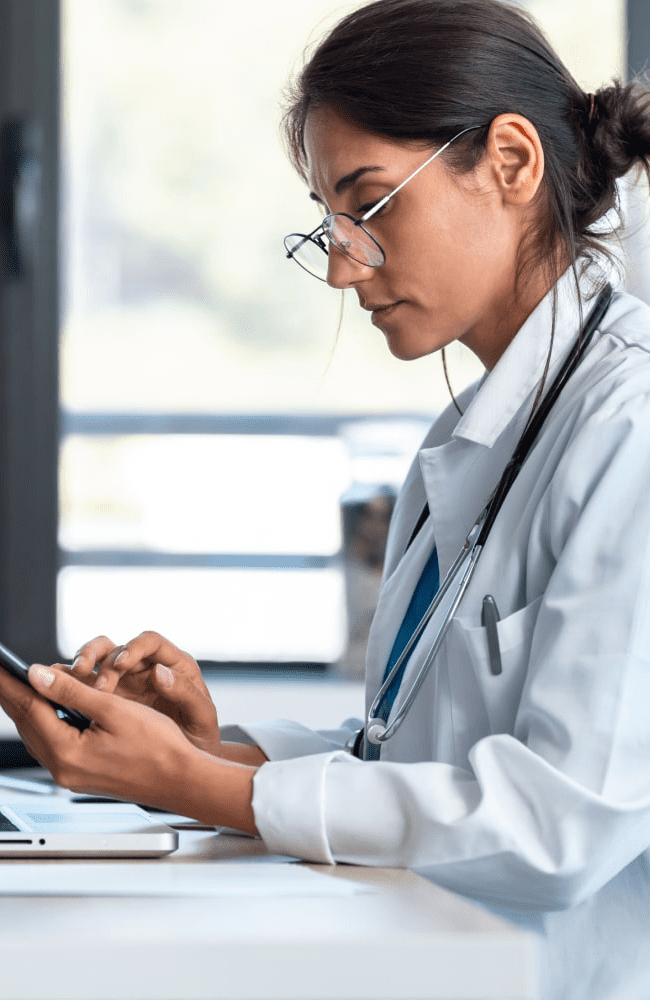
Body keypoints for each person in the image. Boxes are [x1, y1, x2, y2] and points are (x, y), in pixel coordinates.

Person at [2, 0, 650, 995]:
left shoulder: (629, 427)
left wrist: (210, 788)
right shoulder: (463, 441)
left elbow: (555, 824)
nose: (343, 266)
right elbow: (409, 755)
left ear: (510, 163)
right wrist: (207, 747)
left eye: (371, 206)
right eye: (328, 224)